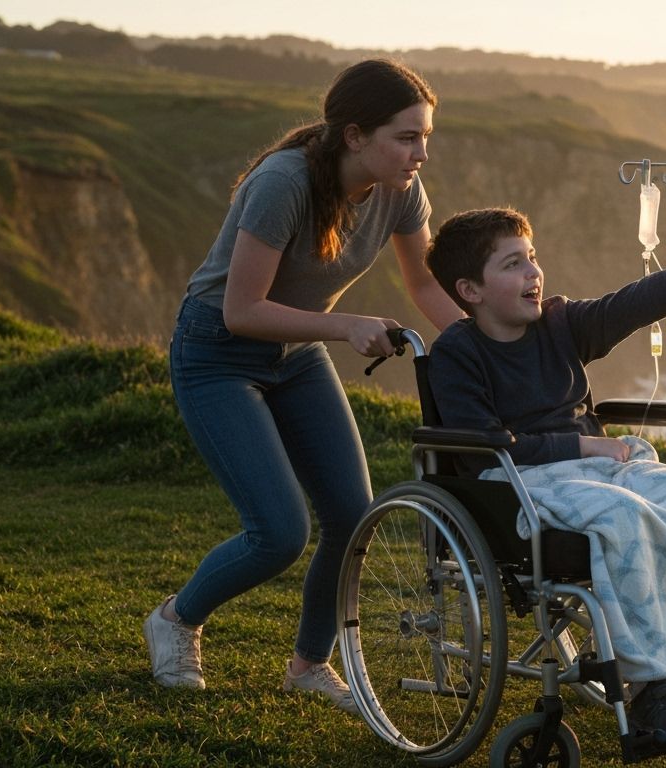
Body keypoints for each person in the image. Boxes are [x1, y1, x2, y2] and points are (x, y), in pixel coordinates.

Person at [143, 59, 464, 714]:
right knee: (279, 532)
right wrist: (344, 325)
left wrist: (489, 347)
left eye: (425, 137)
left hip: (296, 357)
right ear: (354, 135)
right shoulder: (282, 183)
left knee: (352, 514)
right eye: (407, 137)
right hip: (218, 354)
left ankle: (310, 665)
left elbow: (425, 285)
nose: (421, 153)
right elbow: (242, 309)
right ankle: (176, 620)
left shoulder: (401, 191)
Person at [423, 207, 666, 737]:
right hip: (515, 482)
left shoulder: (560, 324)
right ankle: (652, 688)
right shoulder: (456, 354)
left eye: (532, 258)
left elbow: (637, 302)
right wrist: (579, 444)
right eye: (513, 265)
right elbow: (484, 450)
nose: (533, 273)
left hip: (597, 466)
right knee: (622, 516)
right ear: (471, 290)